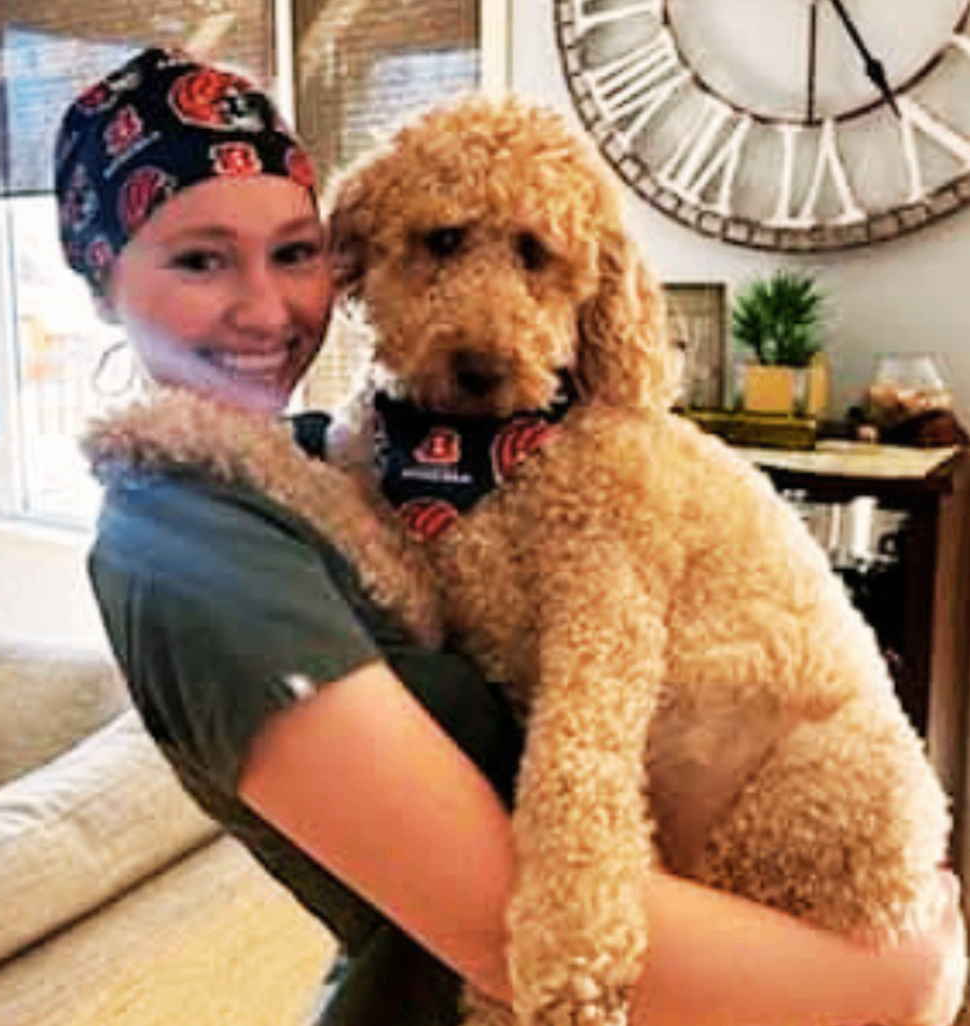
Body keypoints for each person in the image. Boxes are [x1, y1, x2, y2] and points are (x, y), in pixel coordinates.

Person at [54, 46, 967, 1026]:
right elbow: (497, 928)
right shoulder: (183, 546)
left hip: (778, 809)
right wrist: (905, 984)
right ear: (104, 281)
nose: (270, 306)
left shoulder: (455, 452)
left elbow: (529, 643)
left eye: (292, 251)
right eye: (441, 244)